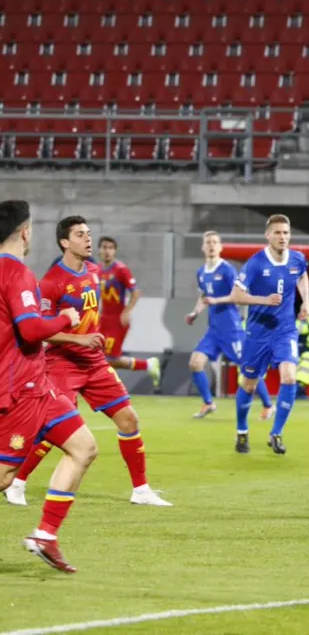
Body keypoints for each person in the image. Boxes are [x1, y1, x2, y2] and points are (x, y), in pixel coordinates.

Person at [5, 216, 172, 508]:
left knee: (129, 419)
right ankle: (17, 483)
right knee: (51, 429)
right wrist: (77, 339)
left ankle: (141, 489)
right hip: (61, 363)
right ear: (64, 242)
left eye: (89, 233)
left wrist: (92, 337)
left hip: (94, 362)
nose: (88, 239)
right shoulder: (51, 282)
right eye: (80, 234)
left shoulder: (94, 271)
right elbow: (40, 332)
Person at [0, 200, 99, 573]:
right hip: (19, 389)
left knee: (84, 447)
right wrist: (63, 318)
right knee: (5, 476)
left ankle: (45, 535)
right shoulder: (17, 272)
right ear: (24, 232)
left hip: (39, 385)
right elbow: (30, 328)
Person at [226, 214, 309, 455]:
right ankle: (242, 431)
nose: (282, 237)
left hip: (285, 331)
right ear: (268, 235)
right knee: (249, 384)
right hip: (257, 333)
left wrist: (305, 302)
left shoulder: (298, 258)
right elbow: (236, 296)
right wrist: (264, 300)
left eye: (286, 233)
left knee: (290, 377)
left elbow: (302, 275)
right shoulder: (255, 263)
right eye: (278, 233)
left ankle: (276, 433)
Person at [185, 231, 274, 420]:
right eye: (208, 242)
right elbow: (203, 296)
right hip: (213, 330)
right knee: (195, 363)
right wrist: (195, 313)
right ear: (203, 246)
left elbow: (236, 296)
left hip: (231, 329)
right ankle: (208, 403)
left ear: (220, 246)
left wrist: (216, 301)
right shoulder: (201, 272)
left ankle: (268, 405)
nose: (211, 245)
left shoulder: (226, 270)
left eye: (215, 242)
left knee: (248, 368)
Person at [97, 236, 161, 391]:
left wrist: (126, 311)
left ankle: (147, 365)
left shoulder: (120, 270)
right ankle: (147, 365)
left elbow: (136, 292)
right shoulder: (97, 269)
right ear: (99, 250)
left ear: (115, 251)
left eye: (111, 248)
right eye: (104, 247)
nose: (107, 251)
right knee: (99, 358)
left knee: (110, 359)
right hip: (102, 320)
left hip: (117, 321)